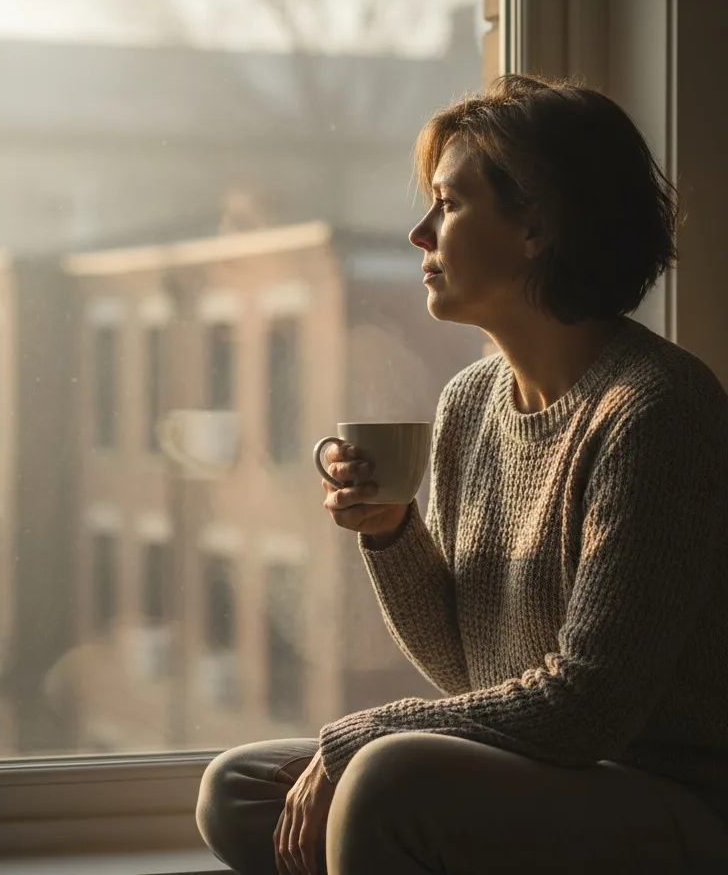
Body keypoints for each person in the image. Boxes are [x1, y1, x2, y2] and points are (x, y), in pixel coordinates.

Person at [195, 74, 728, 874]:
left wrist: (360, 737)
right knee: (239, 788)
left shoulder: (656, 410)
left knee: (383, 778)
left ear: (535, 226)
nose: (419, 232)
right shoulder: (471, 403)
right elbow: (473, 671)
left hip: (670, 793)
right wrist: (392, 533)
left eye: (448, 203)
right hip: (555, 774)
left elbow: (587, 708)